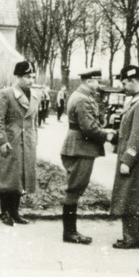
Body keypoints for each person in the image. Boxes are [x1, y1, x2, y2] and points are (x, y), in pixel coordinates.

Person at [60, 68, 115, 244]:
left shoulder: (83, 97)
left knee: (75, 188)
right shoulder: (82, 99)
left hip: (79, 146)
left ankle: (70, 231)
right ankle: (70, 233)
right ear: (90, 81)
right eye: (97, 81)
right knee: (74, 188)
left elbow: (95, 122)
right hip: (80, 148)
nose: (99, 85)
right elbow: (89, 127)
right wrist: (107, 135)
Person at [0, 61, 39, 226]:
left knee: (21, 176)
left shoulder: (35, 95)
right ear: (18, 76)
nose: (31, 80)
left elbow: (33, 121)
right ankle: (5, 213)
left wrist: (35, 139)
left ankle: (15, 212)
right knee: (7, 176)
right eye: (27, 77)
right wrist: (1, 140)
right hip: (11, 141)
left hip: (27, 142)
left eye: (33, 77)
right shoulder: (6, 93)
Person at [110, 65, 139, 250]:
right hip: (134, 157)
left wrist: (127, 160)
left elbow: (138, 134)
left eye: (125, 82)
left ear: (134, 81)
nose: (123, 85)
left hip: (137, 159)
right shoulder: (137, 100)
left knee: (134, 197)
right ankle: (130, 236)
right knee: (128, 195)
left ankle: (134, 239)